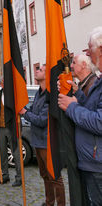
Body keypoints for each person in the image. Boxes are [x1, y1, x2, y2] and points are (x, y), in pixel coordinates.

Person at [58, 27, 102, 205]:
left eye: (90, 50)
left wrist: (72, 107)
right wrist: (80, 96)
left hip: (97, 165)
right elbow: (93, 108)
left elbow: (99, 122)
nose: (89, 56)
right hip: (92, 162)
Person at [20, 65, 65, 206]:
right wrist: (22, 107)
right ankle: (49, 202)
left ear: (47, 75)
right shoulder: (39, 92)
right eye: (37, 68)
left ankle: (61, 204)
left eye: (40, 69)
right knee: (45, 175)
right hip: (37, 142)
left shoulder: (50, 95)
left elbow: (41, 120)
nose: (37, 70)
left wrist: (24, 113)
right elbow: (32, 111)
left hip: (48, 142)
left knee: (55, 176)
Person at [0, 79, 21, 186]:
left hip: (12, 127)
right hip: (1, 127)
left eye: (4, 82)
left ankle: (19, 177)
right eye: (2, 82)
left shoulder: (14, 94)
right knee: (2, 153)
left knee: (16, 153)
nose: (3, 84)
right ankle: (5, 176)